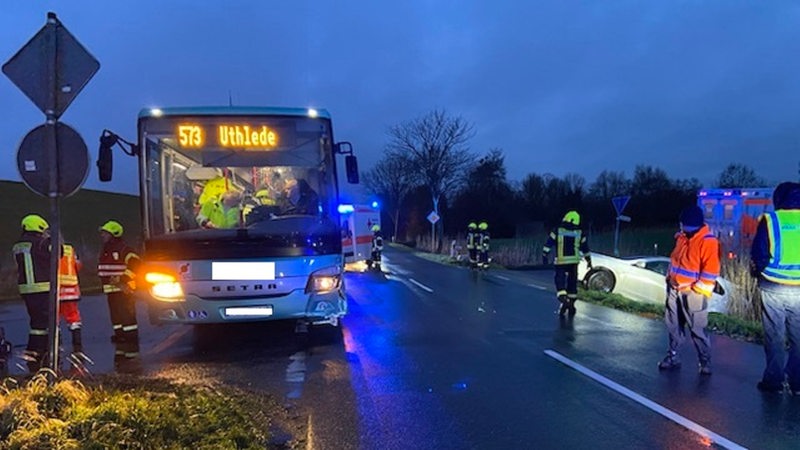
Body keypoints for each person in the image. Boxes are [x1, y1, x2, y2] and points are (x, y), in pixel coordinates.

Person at [659, 205, 720, 375]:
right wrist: (670, 280)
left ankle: (705, 362)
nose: (682, 227)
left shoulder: (708, 241)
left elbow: (710, 271)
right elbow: (676, 261)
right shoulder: (682, 238)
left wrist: (696, 289)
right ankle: (673, 356)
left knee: (697, 329)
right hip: (674, 289)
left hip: (693, 294)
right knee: (673, 326)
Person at [751, 181, 800, 393]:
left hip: (773, 287)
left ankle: (774, 381)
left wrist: (758, 271)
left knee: (775, 336)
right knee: (798, 337)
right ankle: (797, 383)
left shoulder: (771, 220)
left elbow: (758, 253)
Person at [12, 214, 52, 368]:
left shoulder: (18, 245)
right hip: (42, 287)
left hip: (26, 288)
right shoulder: (41, 243)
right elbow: (58, 252)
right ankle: (39, 350)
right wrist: (51, 237)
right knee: (43, 322)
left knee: (36, 321)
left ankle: (35, 349)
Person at [98, 221, 141, 344]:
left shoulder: (124, 249)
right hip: (111, 290)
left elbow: (136, 264)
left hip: (124, 289)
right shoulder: (106, 249)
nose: (103, 236)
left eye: (105, 233)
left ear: (113, 234)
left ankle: (131, 338)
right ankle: (120, 335)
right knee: (116, 315)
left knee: (127, 315)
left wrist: (122, 279)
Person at [542, 211, 591, 316]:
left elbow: (548, 244)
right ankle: (571, 303)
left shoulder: (558, 231)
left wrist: (545, 255)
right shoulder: (580, 233)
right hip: (574, 262)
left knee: (560, 279)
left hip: (561, 261)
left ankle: (563, 297)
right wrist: (589, 261)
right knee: (572, 282)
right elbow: (585, 248)